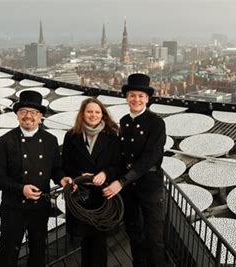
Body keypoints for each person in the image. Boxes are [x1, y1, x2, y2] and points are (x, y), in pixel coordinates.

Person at [0, 90, 67, 267]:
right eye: (23, 111)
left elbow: (56, 169)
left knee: (38, 250)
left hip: (40, 208)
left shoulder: (50, 140)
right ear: (17, 115)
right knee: (8, 251)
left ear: (40, 116)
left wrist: (63, 180)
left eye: (33, 112)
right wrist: (21, 189)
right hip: (13, 208)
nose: (28, 116)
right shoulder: (4, 141)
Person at [103, 73, 167, 267]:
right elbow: (121, 157)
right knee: (134, 232)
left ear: (147, 99)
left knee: (154, 237)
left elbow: (150, 158)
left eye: (141, 96)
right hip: (130, 189)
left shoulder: (156, 123)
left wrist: (121, 181)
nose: (136, 99)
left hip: (149, 186)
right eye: (132, 95)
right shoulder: (123, 122)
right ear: (127, 98)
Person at [59, 98, 121, 267]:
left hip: (102, 198)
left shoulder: (111, 135)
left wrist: (104, 173)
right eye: (89, 111)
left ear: (102, 115)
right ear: (83, 114)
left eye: (97, 112)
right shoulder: (71, 136)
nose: (93, 115)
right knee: (85, 243)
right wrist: (79, 175)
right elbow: (65, 164)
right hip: (81, 197)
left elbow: (117, 165)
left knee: (100, 243)